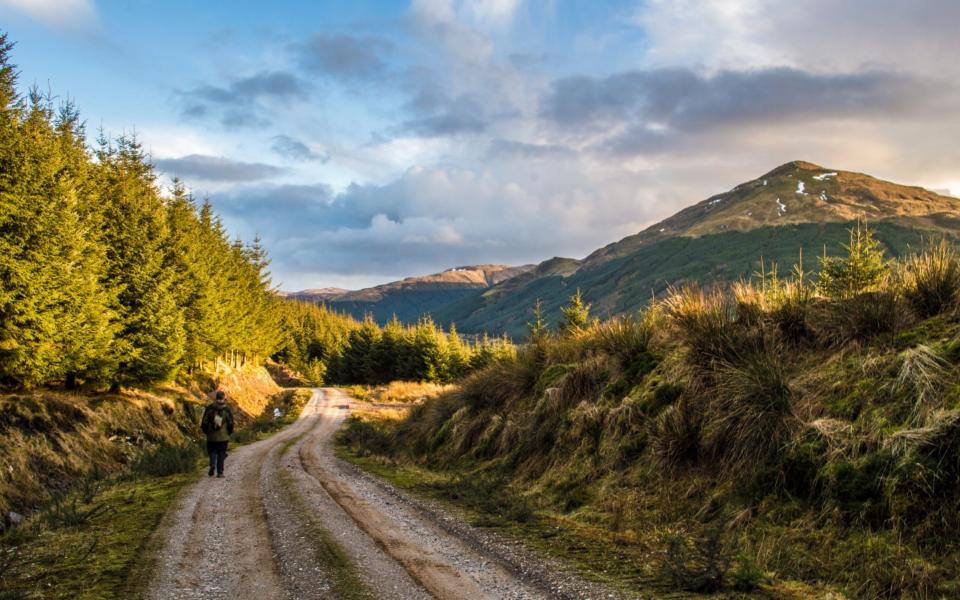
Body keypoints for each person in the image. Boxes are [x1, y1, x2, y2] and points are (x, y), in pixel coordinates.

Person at [200, 390, 234, 478]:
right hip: (223, 437)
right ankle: (220, 473)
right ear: (223, 398)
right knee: (221, 453)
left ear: (216, 398)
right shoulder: (226, 410)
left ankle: (212, 464)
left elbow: (204, 422)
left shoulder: (210, 408)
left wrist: (206, 432)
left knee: (212, 451)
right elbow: (231, 423)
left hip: (211, 436)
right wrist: (229, 433)